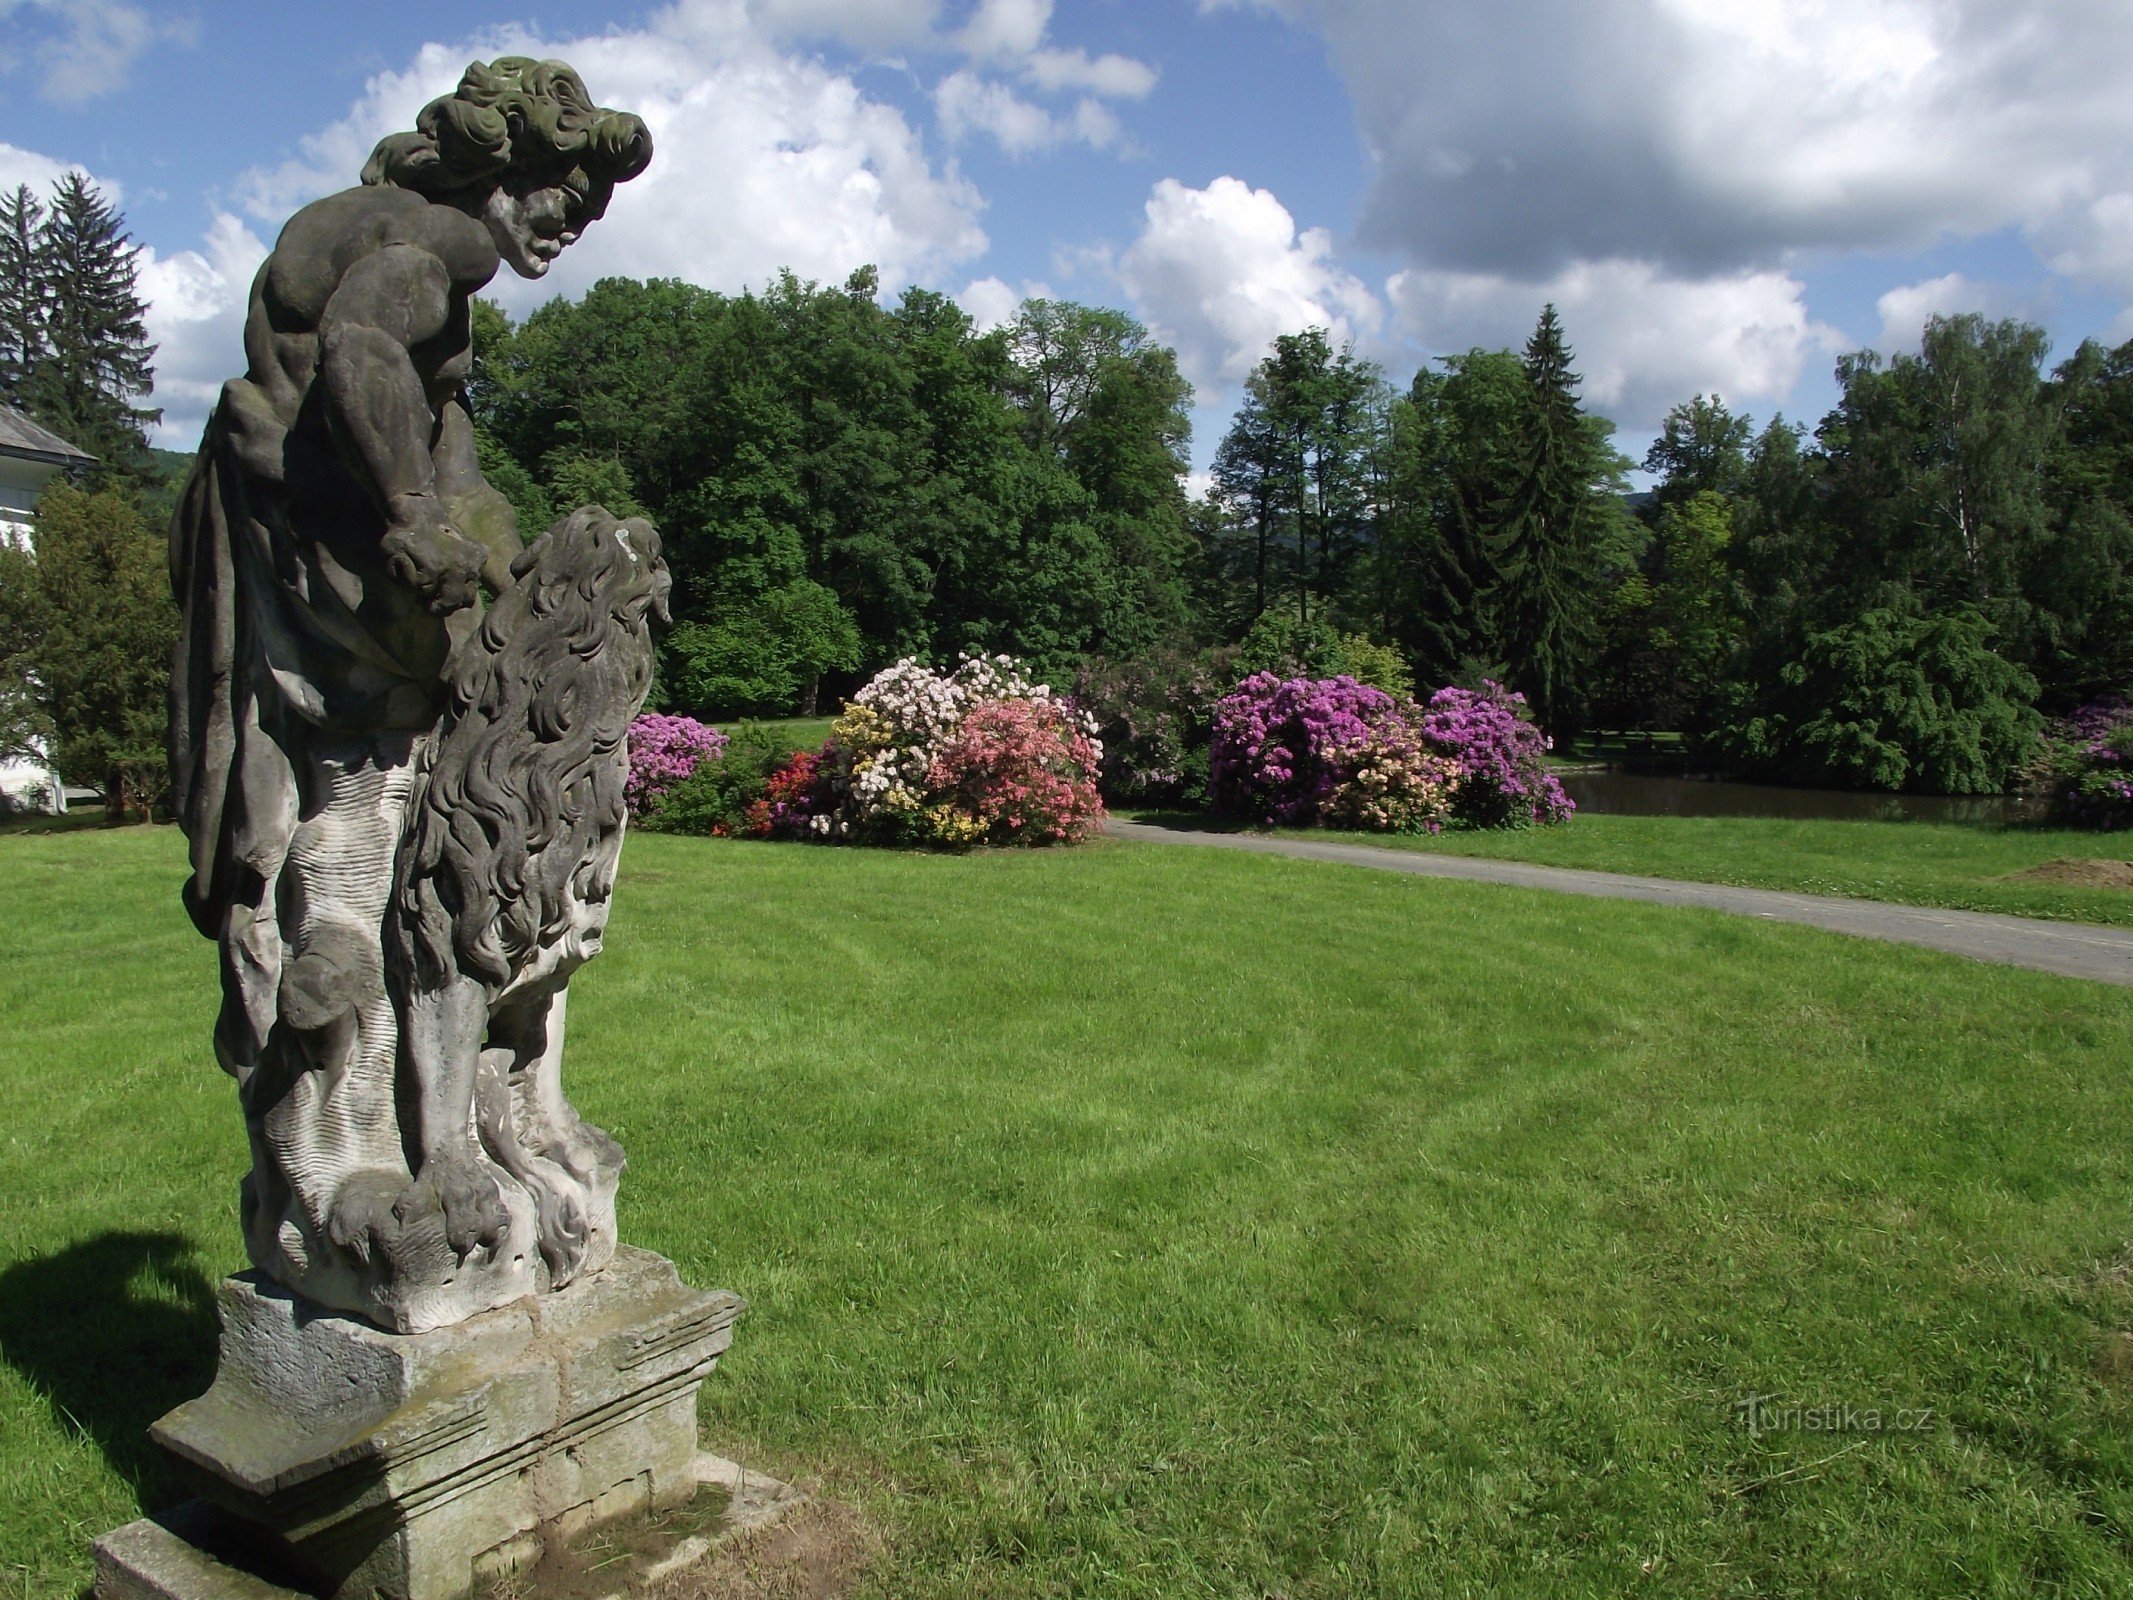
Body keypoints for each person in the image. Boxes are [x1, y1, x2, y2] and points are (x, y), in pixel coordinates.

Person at [167, 58, 652, 1330]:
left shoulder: (382, 232)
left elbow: (429, 422)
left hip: (304, 547)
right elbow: (365, 348)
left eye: (581, 207)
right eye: (553, 190)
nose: (560, 222)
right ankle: (369, 1143)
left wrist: (464, 523)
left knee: (400, 827)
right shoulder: (438, 243)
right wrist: (413, 519)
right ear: (493, 169)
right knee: (374, 841)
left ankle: (464, 1120)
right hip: (327, 570)